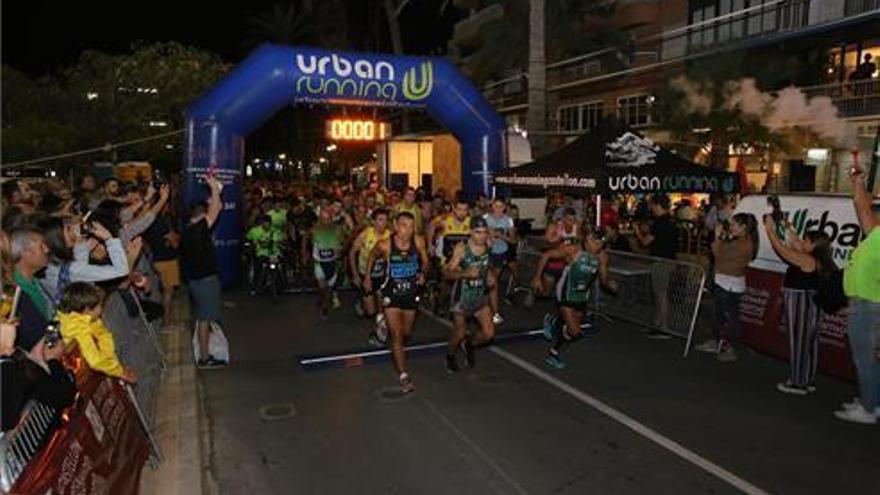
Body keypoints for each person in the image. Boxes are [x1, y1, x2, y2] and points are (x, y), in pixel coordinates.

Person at [764, 216, 833, 395]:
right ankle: (807, 378)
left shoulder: (807, 260)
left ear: (813, 245)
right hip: (811, 304)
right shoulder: (816, 258)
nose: (802, 241)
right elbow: (795, 242)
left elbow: (782, 250)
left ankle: (797, 382)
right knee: (809, 342)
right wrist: (788, 227)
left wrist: (770, 230)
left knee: (799, 341)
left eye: (806, 240)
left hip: (801, 304)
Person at [532, 229, 617, 369]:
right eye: (596, 242)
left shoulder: (602, 256)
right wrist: (537, 277)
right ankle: (554, 350)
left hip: (582, 294)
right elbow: (547, 255)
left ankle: (553, 324)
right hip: (566, 290)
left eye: (601, 243)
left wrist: (609, 284)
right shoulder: (574, 250)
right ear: (588, 240)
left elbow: (603, 278)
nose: (598, 245)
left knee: (572, 332)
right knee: (575, 331)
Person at [834, 164, 880, 424]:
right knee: (872, 359)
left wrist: (858, 184)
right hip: (871, 303)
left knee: (864, 359)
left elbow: (862, 209)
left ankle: (867, 406)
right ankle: (873, 401)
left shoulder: (878, 238)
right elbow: (863, 209)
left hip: (868, 306)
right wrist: (858, 184)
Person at [364, 212, 429, 394]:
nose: (407, 230)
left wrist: (423, 272)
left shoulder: (419, 242)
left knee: (407, 332)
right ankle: (403, 375)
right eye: (403, 225)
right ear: (395, 225)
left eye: (411, 226)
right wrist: (368, 277)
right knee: (397, 336)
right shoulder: (385, 244)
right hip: (391, 295)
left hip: (410, 294)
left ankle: (383, 323)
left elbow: (425, 261)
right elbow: (371, 256)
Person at [695, 213, 759, 362]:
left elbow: (718, 254)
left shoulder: (743, 244)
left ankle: (730, 347)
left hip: (729, 283)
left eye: (733, 225)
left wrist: (717, 237)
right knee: (720, 315)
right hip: (725, 281)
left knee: (729, 318)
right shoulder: (741, 241)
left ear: (743, 227)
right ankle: (717, 342)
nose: (730, 228)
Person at [180, 174, 226, 369]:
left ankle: (203, 353)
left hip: (196, 281)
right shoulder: (198, 229)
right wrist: (214, 188)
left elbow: (217, 207)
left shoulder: (188, 231)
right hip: (205, 282)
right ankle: (205, 358)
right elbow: (215, 209)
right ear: (200, 214)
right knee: (205, 320)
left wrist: (215, 193)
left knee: (202, 318)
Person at [56, 282, 137, 382]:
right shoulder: (77, 329)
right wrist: (121, 372)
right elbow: (95, 361)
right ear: (87, 310)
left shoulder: (78, 317)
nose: (102, 309)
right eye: (100, 306)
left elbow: (101, 333)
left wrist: (113, 363)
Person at [443, 216, 494, 373]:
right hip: (462, 297)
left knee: (488, 334)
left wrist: (489, 275)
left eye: (485, 232)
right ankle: (450, 355)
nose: (482, 236)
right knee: (459, 332)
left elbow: (485, 264)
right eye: (478, 232)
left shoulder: (488, 244)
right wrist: (464, 273)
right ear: (470, 232)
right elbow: (446, 273)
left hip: (480, 295)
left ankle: (469, 344)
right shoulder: (462, 248)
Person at [634, 194, 676, 338]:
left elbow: (645, 242)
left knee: (661, 294)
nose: (651, 208)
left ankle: (664, 327)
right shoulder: (668, 220)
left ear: (658, 206)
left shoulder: (660, 223)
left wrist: (637, 231)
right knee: (659, 294)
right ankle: (658, 324)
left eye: (652, 205)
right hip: (667, 260)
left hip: (662, 261)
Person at [349, 208, 392, 344]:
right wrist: (355, 275)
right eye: (380, 220)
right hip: (365, 273)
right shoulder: (365, 234)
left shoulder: (390, 235)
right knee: (370, 311)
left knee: (382, 305)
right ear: (373, 221)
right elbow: (351, 254)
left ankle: (380, 331)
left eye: (385, 220)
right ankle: (362, 303)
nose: (383, 223)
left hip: (382, 275)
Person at [483, 199, 516, 325]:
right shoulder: (485, 218)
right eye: (495, 206)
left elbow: (513, 240)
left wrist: (502, 236)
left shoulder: (508, 220)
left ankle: (489, 309)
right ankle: (493, 312)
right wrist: (488, 236)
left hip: (501, 252)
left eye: (500, 207)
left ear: (504, 208)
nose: (498, 209)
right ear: (492, 206)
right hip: (487, 252)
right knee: (492, 282)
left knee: (492, 282)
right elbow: (477, 234)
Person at [307, 207, 344, 318]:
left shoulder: (338, 230)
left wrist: (340, 251)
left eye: (328, 219)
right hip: (319, 263)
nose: (326, 222)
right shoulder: (314, 230)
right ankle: (323, 305)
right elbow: (305, 240)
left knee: (328, 287)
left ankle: (323, 303)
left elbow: (344, 243)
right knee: (322, 287)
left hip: (333, 263)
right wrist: (304, 254)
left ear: (332, 219)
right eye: (323, 219)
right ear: (320, 219)